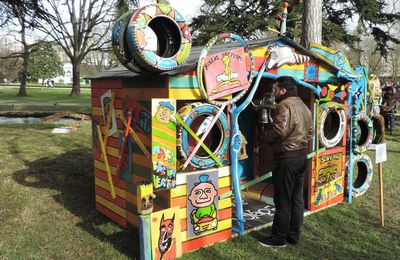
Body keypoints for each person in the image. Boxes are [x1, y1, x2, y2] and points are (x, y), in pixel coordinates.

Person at [258, 76, 314, 247]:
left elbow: (279, 131)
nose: (274, 93)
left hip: (287, 159)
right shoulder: (305, 106)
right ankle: (293, 236)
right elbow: (310, 133)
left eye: (275, 89)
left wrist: (265, 138)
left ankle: (278, 239)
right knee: (297, 199)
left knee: (283, 201)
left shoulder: (284, 105)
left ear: (283, 90)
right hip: (301, 157)